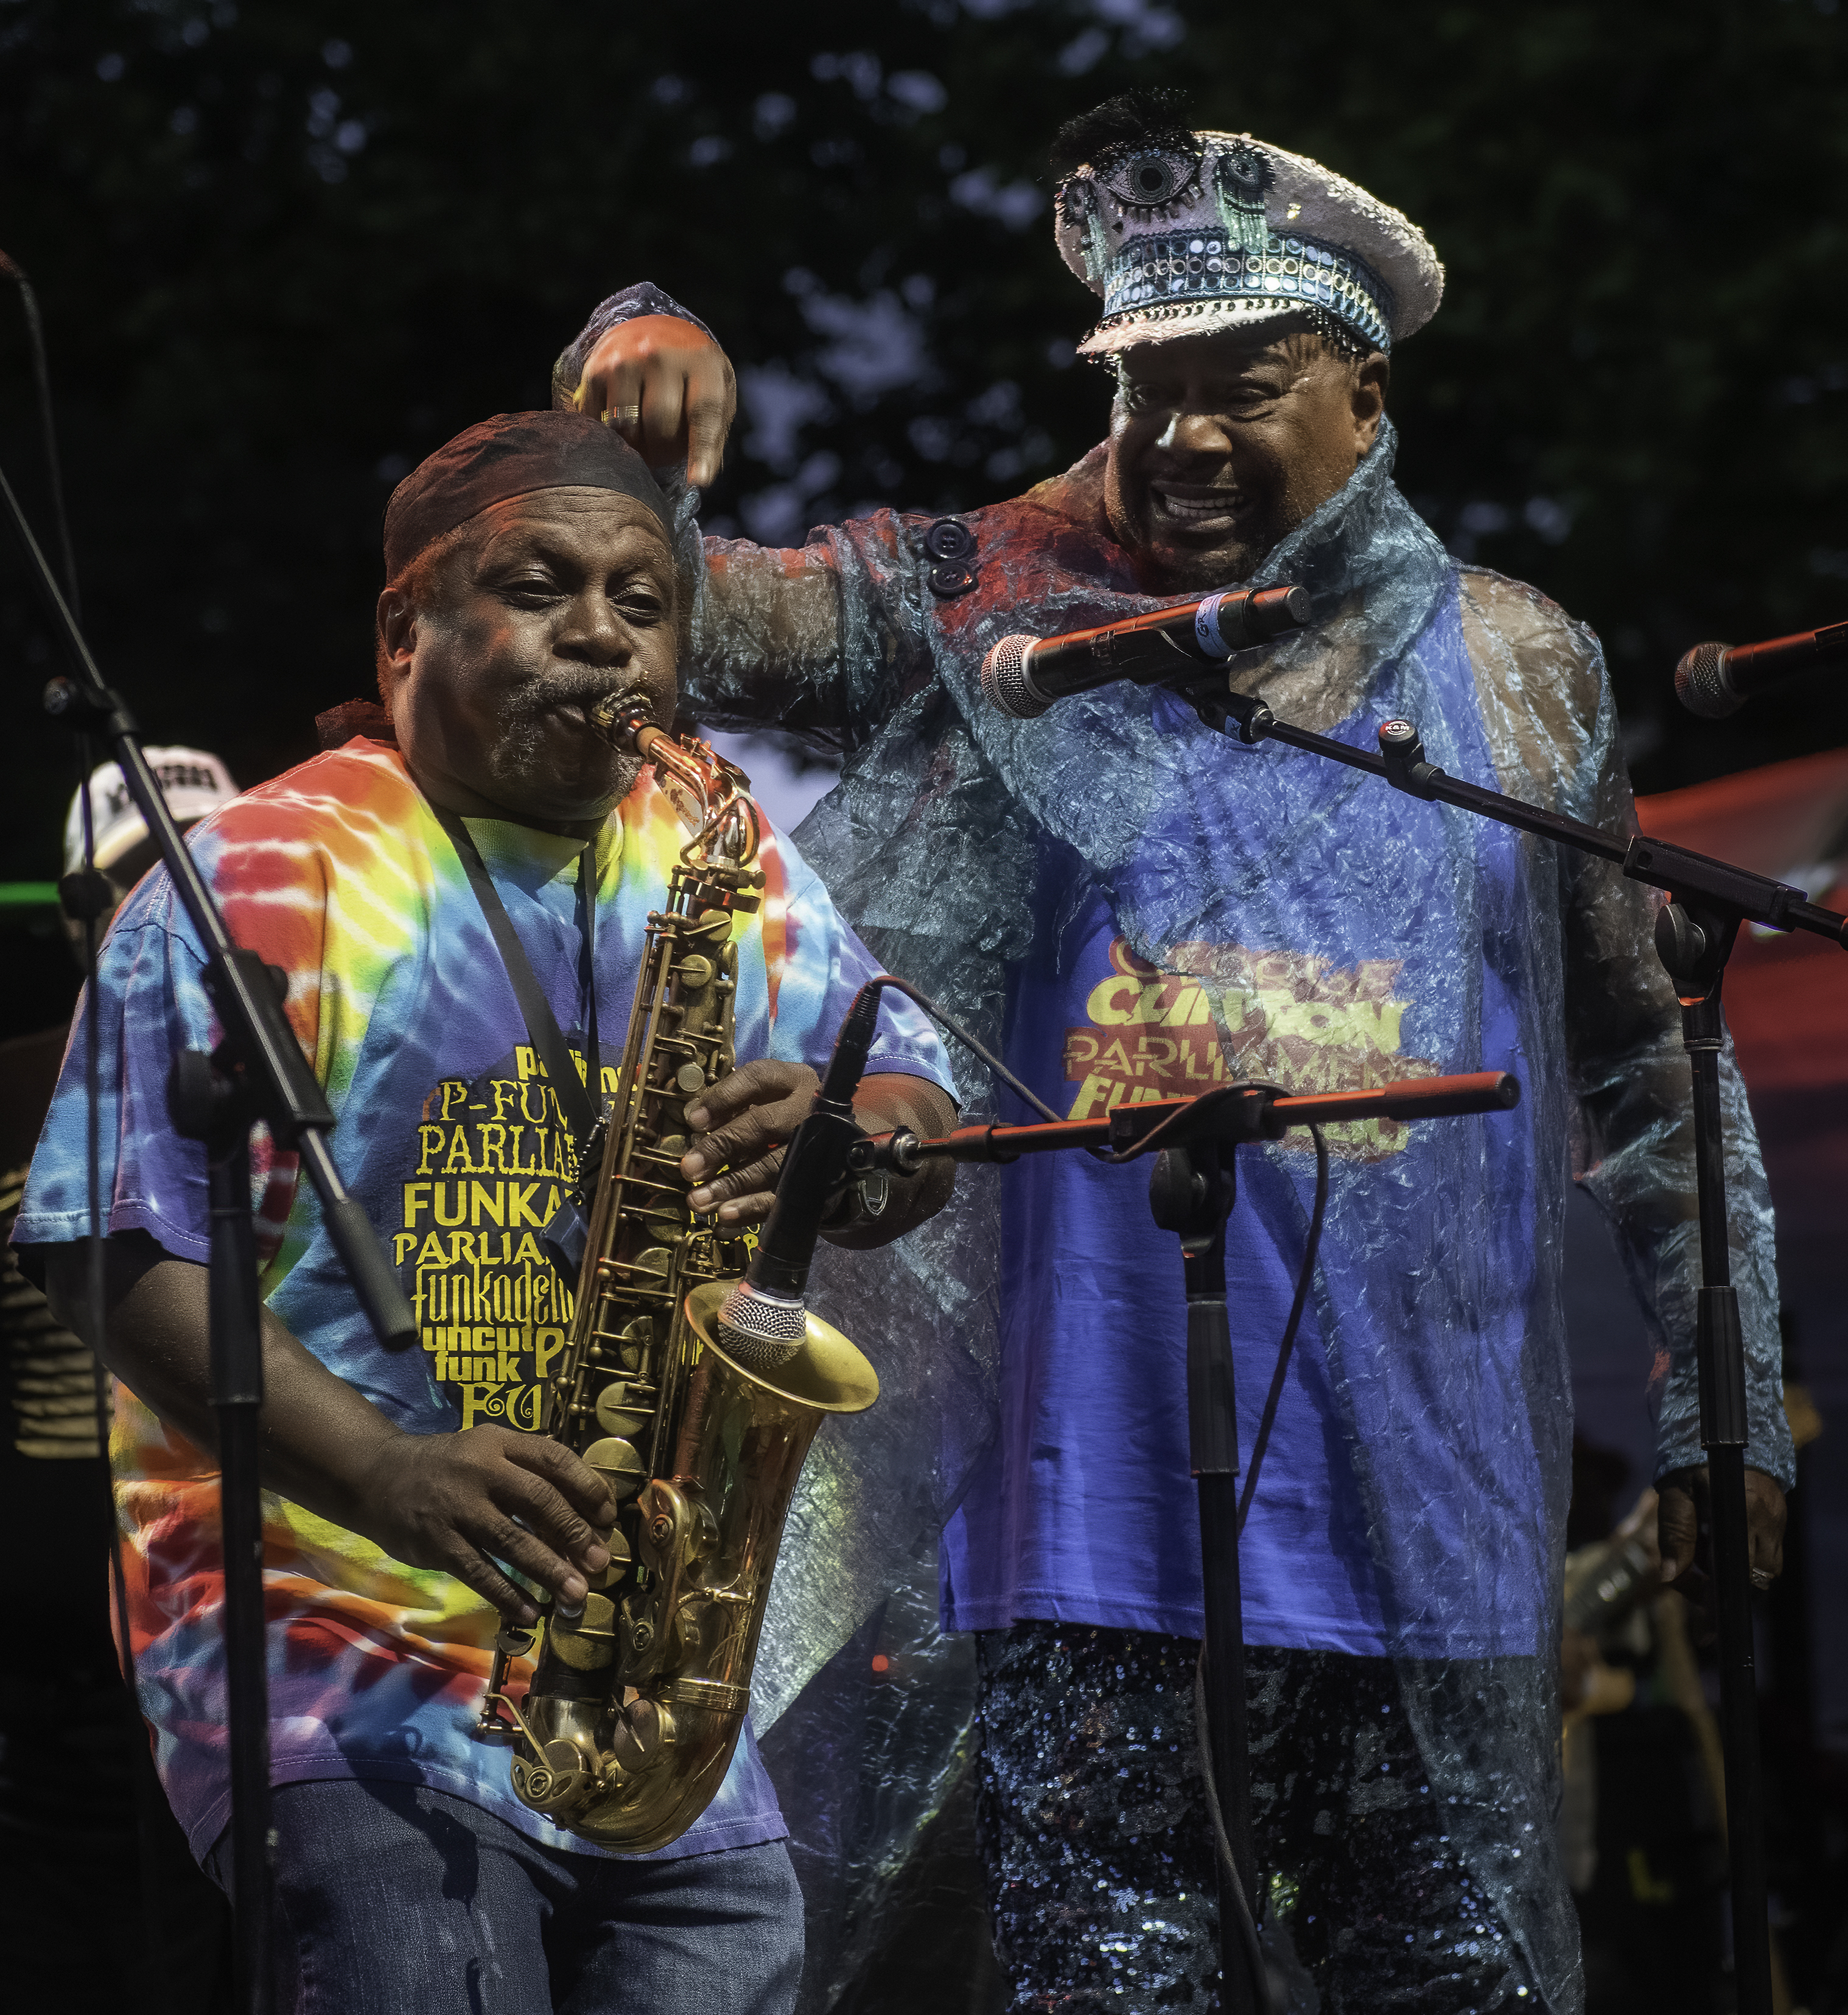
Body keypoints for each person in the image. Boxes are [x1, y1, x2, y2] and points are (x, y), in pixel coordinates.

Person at [547, 93, 1794, 2014]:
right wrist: (621, 403)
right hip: (1083, 1545)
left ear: (1364, 401)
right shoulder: (989, 606)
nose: (1180, 435)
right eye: (1141, 389)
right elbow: (671, 625)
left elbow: (1647, 1055)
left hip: (1427, 1533)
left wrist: (1723, 1400)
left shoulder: (1519, 664)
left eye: (1244, 382)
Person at [13, 409, 959, 2015]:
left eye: (642, 602)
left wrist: (850, 1132)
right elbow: (111, 1253)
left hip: (648, 1675)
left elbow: (916, 1110)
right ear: (405, 632)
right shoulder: (255, 871)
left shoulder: (720, 853)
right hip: (344, 1664)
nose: (601, 636)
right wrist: (386, 1467)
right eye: (540, 588)